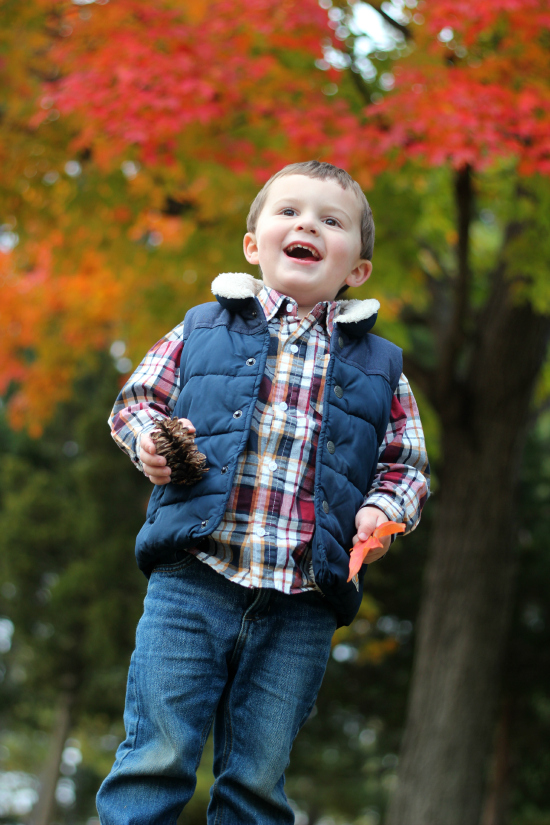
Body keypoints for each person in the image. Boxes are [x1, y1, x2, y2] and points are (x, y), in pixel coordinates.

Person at [96, 160, 430, 825]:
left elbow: (407, 466)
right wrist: (152, 444)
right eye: (289, 212)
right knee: (156, 753)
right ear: (254, 245)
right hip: (195, 577)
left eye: (331, 221)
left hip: (302, 603)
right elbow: (136, 404)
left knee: (257, 777)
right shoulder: (203, 327)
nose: (306, 223)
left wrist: (381, 512)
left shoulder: (380, 365)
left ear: (356, 268)